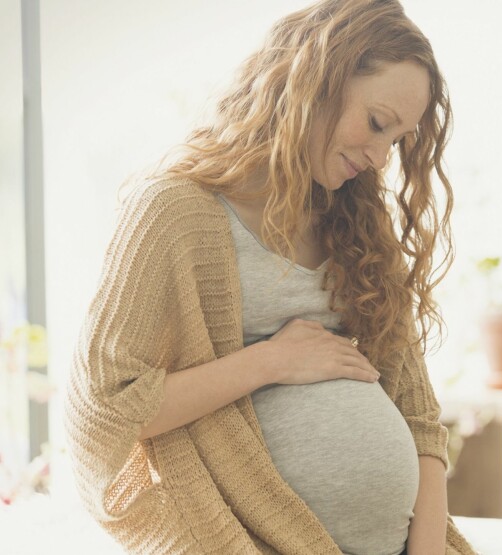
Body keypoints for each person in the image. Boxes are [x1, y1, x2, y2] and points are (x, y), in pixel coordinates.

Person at [64, 1, 476, 553]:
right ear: (317, 80)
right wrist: (270, 361)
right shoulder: (174, 212)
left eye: (397, 140)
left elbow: (419, 414)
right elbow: (105, 412)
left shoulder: (358, 225)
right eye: (377, 123)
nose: (381, 157)